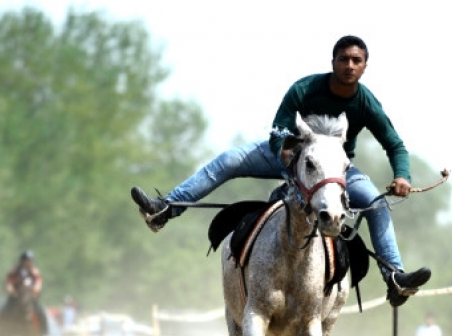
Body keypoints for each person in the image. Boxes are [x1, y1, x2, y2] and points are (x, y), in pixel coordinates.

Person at [130, 35, 430, 307]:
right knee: (229, 161)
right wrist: (286, 154)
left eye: (356, 61)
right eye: (344, 59)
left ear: (365, 66)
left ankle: (394, 276)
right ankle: (165, 209)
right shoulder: (304, 88)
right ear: (333, 62)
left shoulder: (366, 103)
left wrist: (403, 176)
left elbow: (395, 146)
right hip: (289, 156)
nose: (349, 65)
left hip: (332, 170)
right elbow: (277, 132)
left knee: (375, 203)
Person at [2, 250, 49, 336]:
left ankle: (43, 335)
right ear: (22, 261)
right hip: (15, 297)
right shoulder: (14, 271)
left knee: (40, 312)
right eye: (26, 260)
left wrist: (35, 291)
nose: (28, 262)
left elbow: (38, 283)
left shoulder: (34, 272)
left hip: (30, 297)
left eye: (29, 260)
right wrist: (11, 291)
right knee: (4, 311)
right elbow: (9, 282)